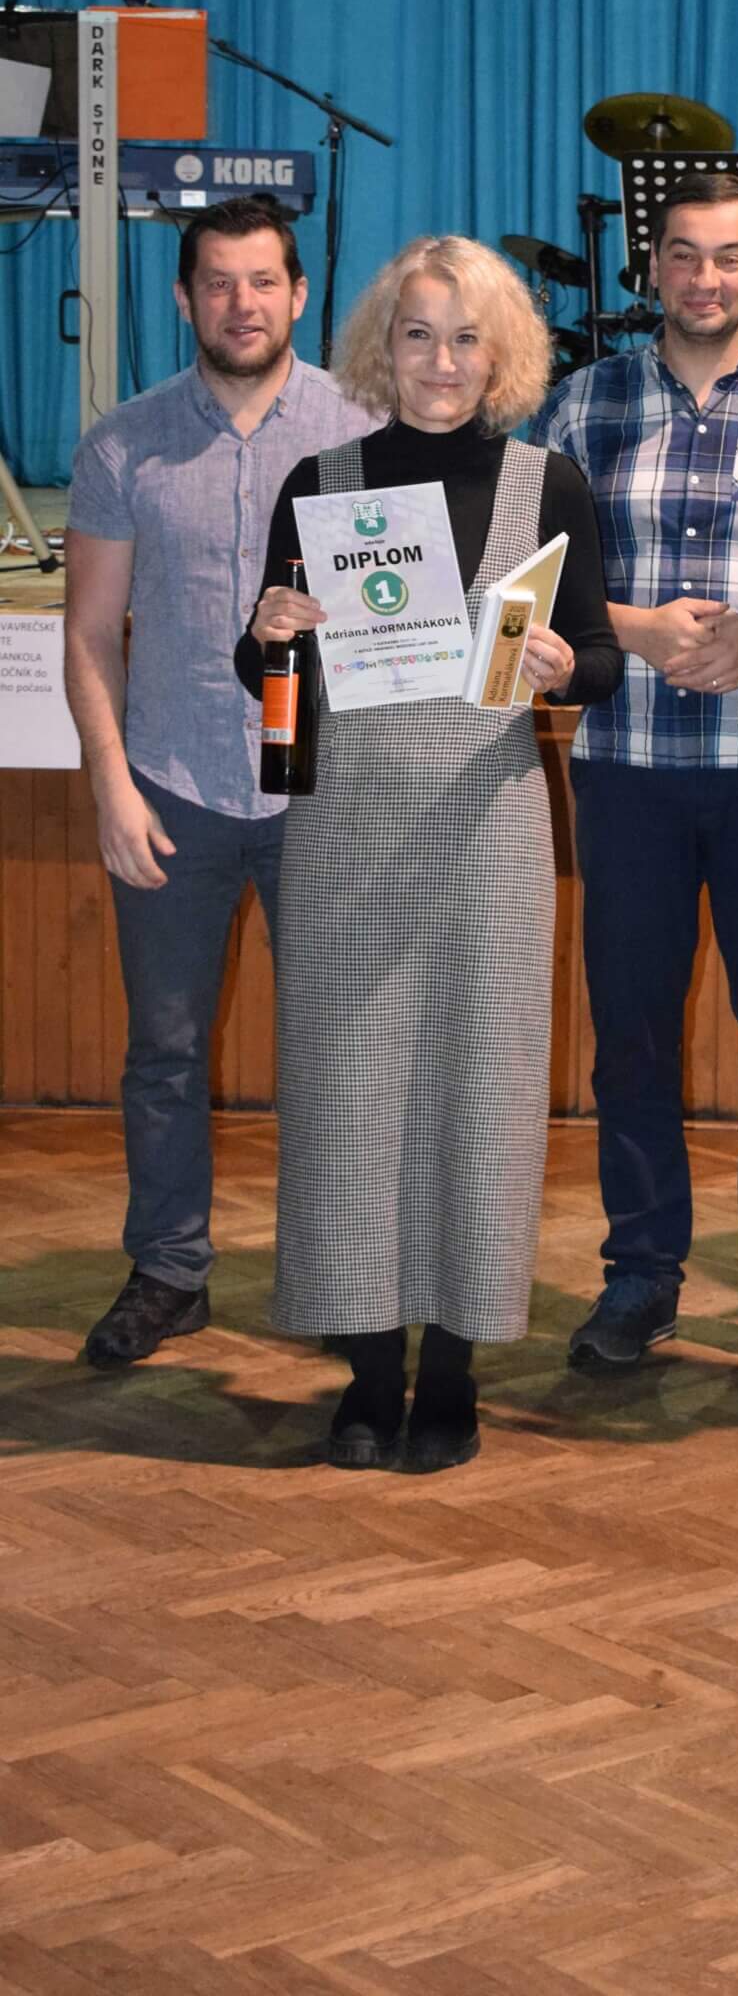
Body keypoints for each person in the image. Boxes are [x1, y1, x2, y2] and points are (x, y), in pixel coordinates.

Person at [240, 236, 620, 1468]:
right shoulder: (322, 481)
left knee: (480, 1095)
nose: (441, 361)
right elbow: (267, 668)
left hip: (486, 832)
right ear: (381, 347)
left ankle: (451, 1372)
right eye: (418, 335)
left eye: (465, 339)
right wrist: (269, 630)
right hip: (346, 832)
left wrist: (563, 665)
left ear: (500, 355)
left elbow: (601, 660)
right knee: (346, 1098)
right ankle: (366, 1372)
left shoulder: (549, 484)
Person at [539, 173, 738, 1383]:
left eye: (729, 257)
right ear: (651, 264)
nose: (704, 278)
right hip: (627, 765)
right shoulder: (584, 402)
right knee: (632, 1036)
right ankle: (641, 1274)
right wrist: (636, 628)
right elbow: (529, 583)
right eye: (682, 254)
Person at [63, 196, 376, 1370]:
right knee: (165, 1051)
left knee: (338, 1050)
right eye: (217, 282)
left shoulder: (364, 429)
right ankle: (169, 1270)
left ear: (300, 293)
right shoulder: (123, 444)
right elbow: (89, 631)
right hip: (174, 786)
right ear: (186, 296)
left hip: (327, 796)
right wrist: (111, 782)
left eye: (262, 281)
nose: (241, 303)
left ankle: (341, 1273)